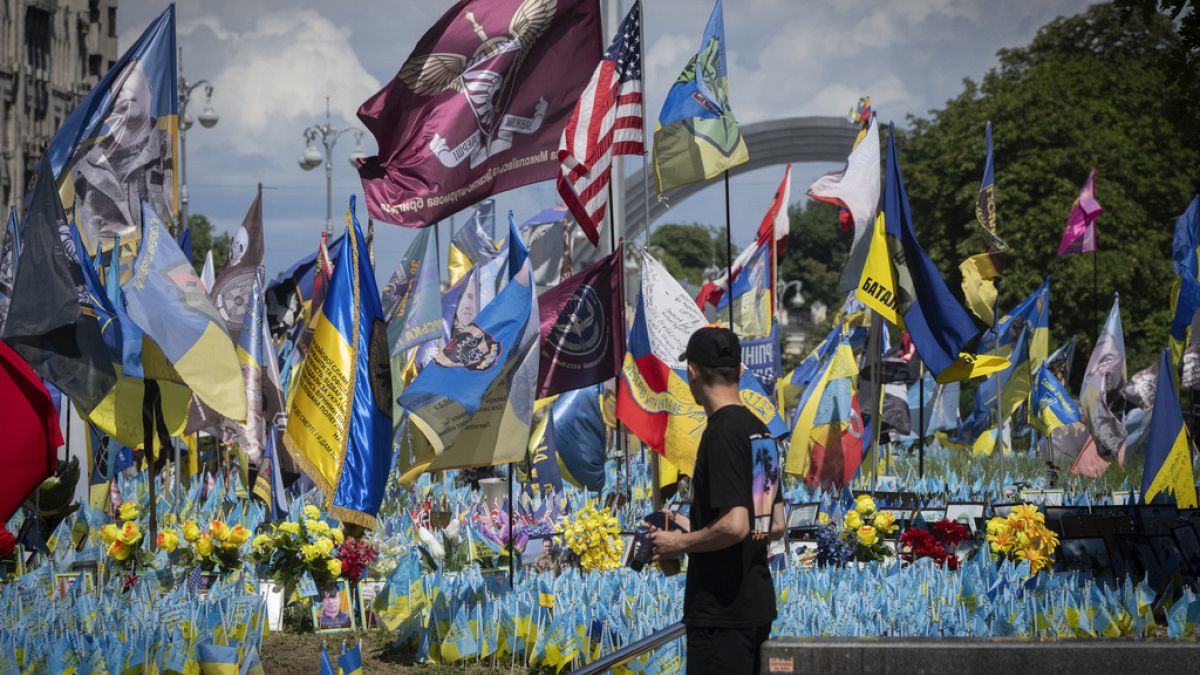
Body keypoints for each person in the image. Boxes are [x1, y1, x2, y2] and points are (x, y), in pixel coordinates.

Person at [648, 326, 785, 675]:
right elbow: (774, 522)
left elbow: (735, 525)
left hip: (721, 613)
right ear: (739, 371)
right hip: (754, 605)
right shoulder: (759, 428)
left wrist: (679, 543)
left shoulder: (721, 433)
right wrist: (697, 526)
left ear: (692, 372)